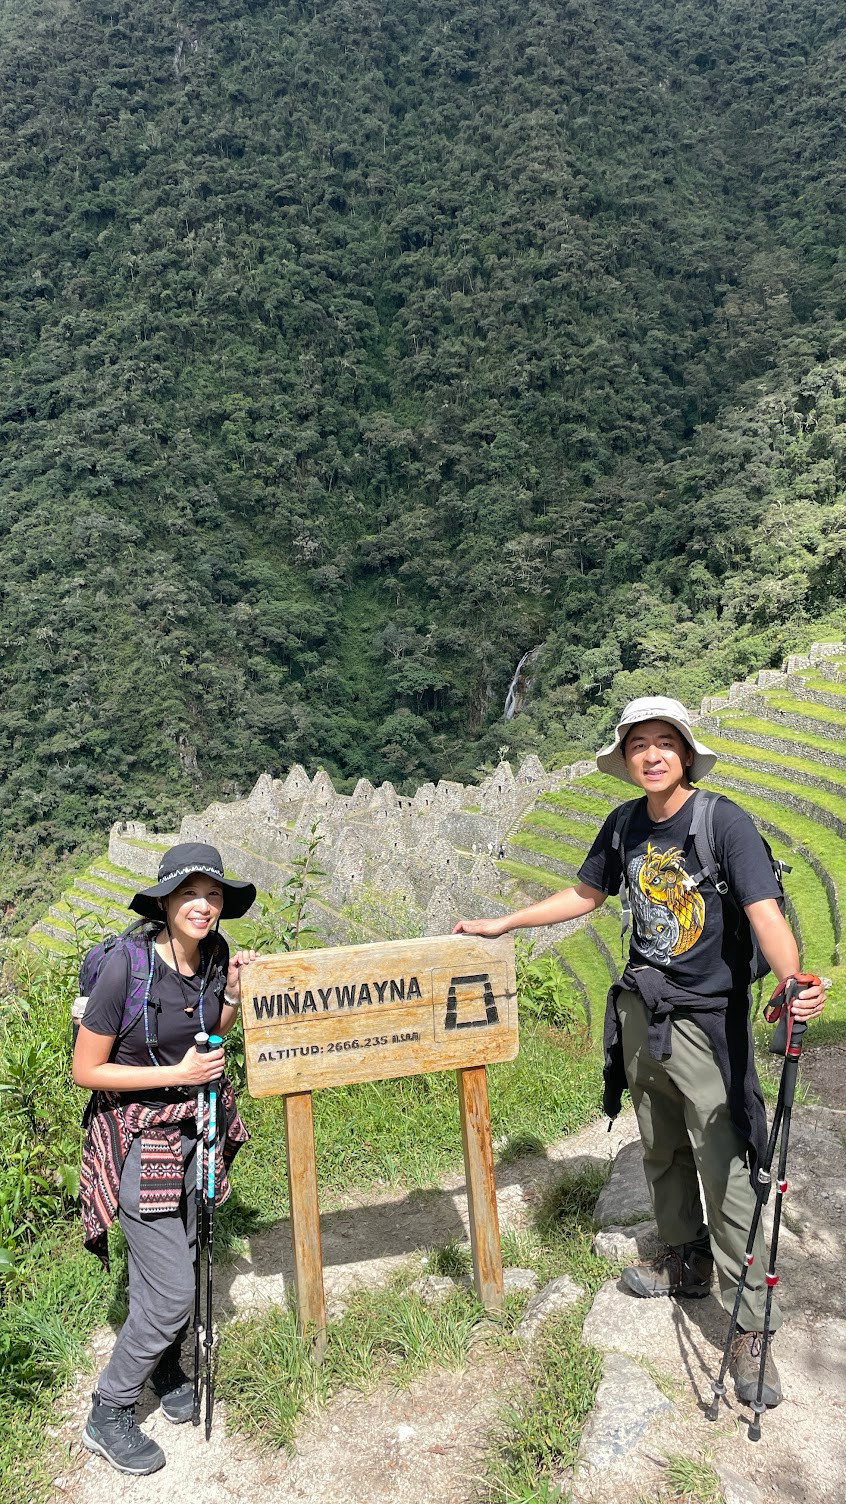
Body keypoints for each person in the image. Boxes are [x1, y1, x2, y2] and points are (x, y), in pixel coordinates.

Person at [454, 696, 826, 1408]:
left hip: (707, 1021)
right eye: (638, 745)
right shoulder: (624, 824)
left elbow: (764, 912)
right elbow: (584, 894)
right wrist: (505, 923)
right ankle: (684, 1259)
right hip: (640, 1011)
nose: (651, 754)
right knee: (659, 1146)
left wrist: (791, 979)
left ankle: (749, 1327)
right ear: (626, 760)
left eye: (664, 742)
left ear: (684, 752)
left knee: (726, 1163)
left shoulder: (723, 823)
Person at [73, 842, 258, 1475]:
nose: (202, 906)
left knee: (183, 1253)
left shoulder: (214, 958)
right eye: (189, 894)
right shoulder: (125, 970)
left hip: (193, 1134)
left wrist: (230, 996)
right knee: (174, 1292)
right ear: (164, 902)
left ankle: (166, 1366)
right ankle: (109, 1409)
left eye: (212, 895)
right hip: (138, 1137)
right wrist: (176, 1073)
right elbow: (86, 1070)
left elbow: (214, 1031)